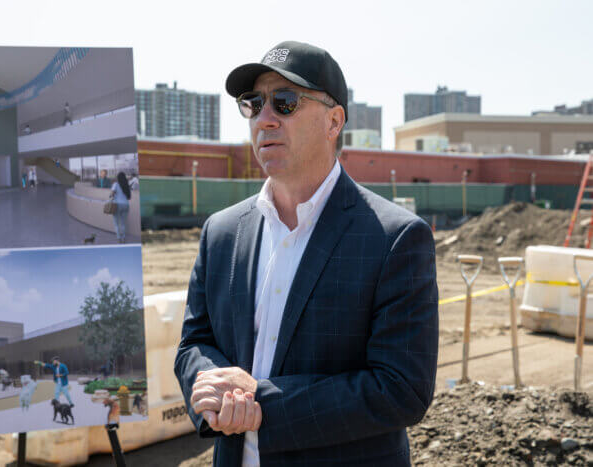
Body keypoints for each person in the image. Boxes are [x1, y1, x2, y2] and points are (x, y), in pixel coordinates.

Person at [174, 41, 439, 466]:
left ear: (334, 121)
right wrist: (209, 386)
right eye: (253, 103)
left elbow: (401, 388)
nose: (264, 119)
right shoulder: (221, 233)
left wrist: (260, 404)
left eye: (285, 102)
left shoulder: (395, 238)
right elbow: (195, 344)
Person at [110, 172, 131, 244]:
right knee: (123, 223)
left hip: (117, 205)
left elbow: (112, 194)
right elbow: (128, 197)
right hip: (126, 205)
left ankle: (119, 238)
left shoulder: (115, 184)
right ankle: (124, 238)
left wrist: (111, 195)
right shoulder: (126, 185)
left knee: (116, 223)